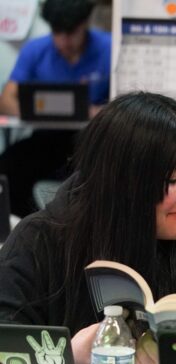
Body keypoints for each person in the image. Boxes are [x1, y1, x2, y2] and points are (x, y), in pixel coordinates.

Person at [0, 91, 176, 364]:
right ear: (122, 184)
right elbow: (8, 357)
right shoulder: (39, 242)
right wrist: (68, 358)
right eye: (172, 179)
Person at [0, 0, 111, 217]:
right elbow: (6, 100)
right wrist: (34, 110)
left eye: (71, 33)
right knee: (7, 166)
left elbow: (127, 100)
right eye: (57, 33)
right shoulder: (36, 49)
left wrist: (100, 112)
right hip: (46, 137)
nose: (64, 41)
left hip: (89, 139)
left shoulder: (109, 48)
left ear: (85, 24)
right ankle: (24, 225)